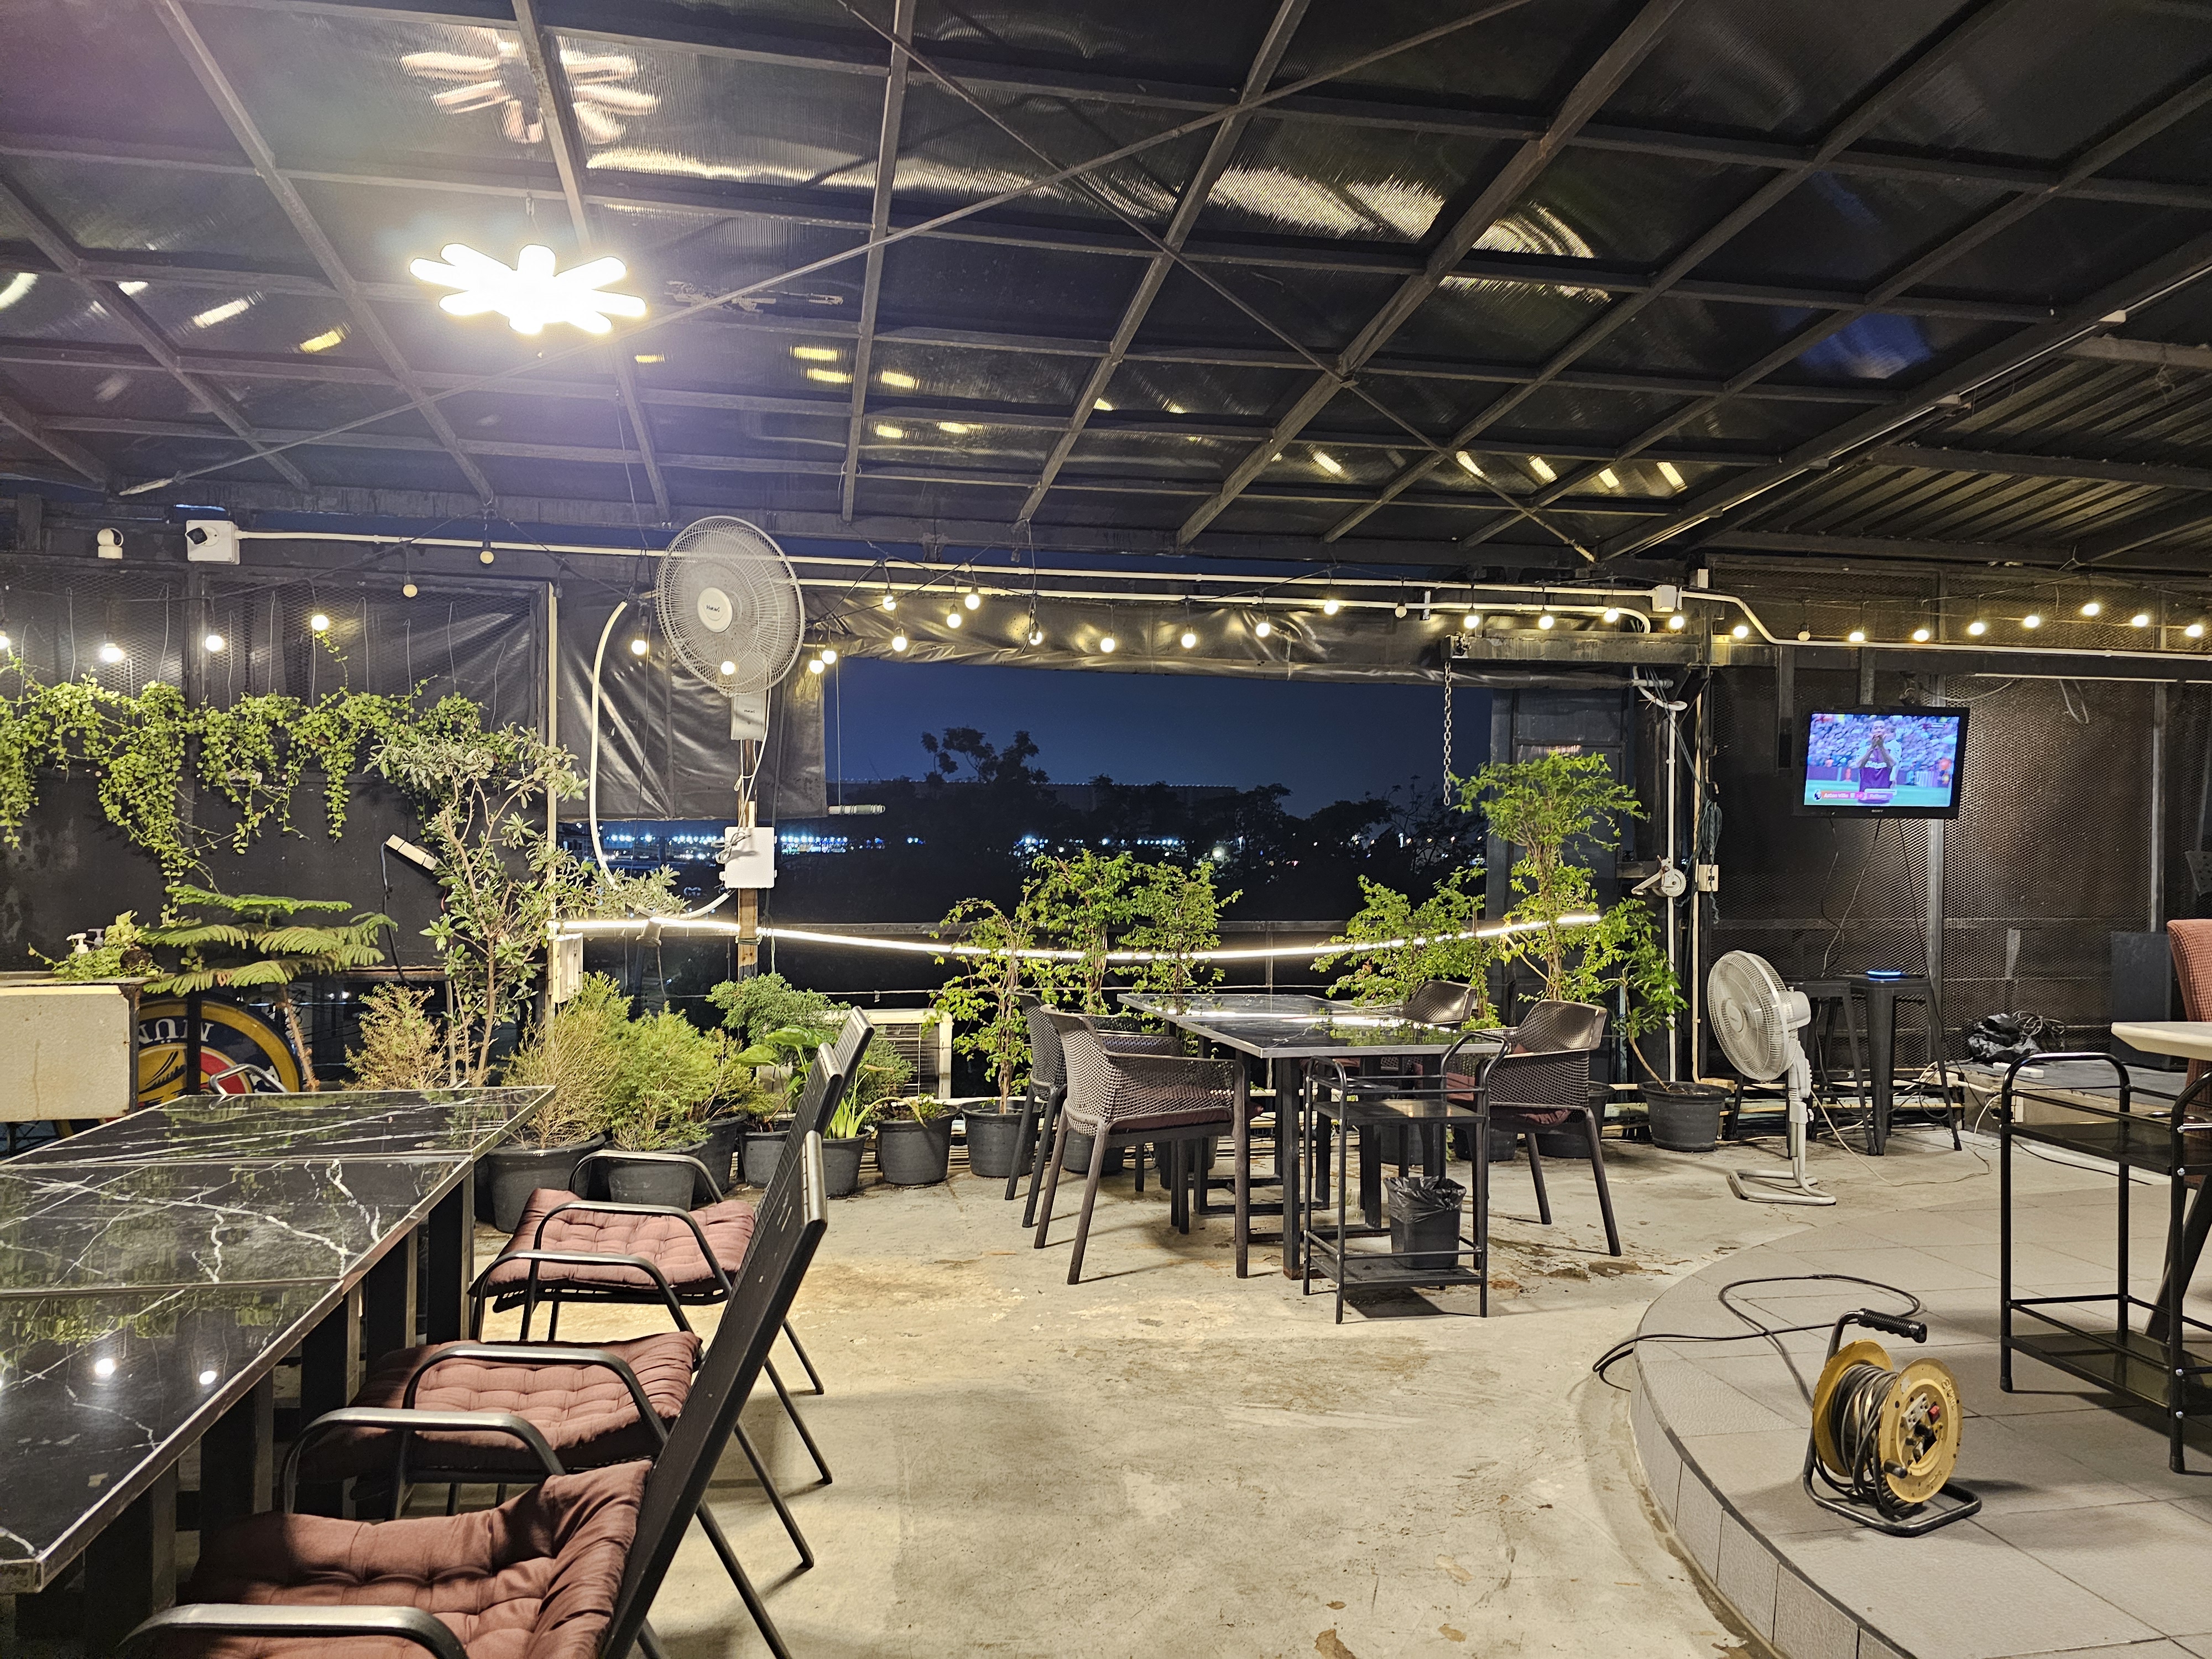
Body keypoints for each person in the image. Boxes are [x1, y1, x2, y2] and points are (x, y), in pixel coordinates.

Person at [1852, 723, 1897, 797]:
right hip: (1864, 797)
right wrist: (1872, 748)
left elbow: (1891, 764)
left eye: (1882, 728)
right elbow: (1859, 765)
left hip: (1883, 798)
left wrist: (1881, 747)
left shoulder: (1892, 750)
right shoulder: (1863, 750)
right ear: (1871, 732)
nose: (1879, 731)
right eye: (1876, 728)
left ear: (1886, 732)